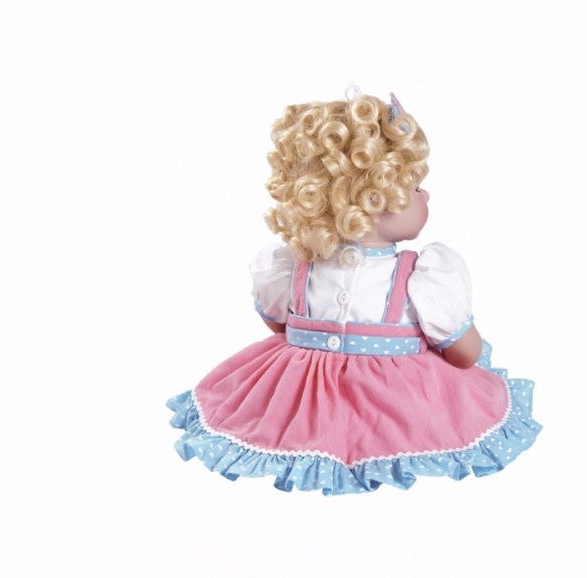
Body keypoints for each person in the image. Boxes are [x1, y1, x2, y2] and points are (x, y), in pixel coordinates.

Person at [167, 91, 541, 495]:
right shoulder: (424, 277)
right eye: (417, 187)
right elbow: (464, 355)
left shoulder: (293, 267)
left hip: (301, 412)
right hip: (399, 414)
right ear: (374, 202)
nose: (426, 196)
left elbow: (280, 328)